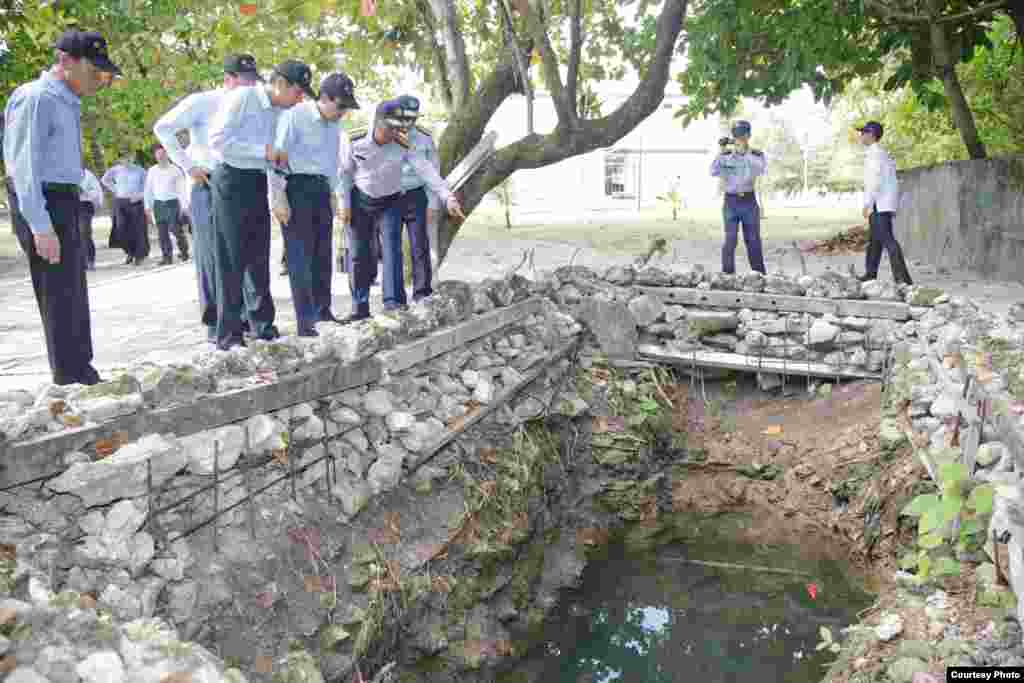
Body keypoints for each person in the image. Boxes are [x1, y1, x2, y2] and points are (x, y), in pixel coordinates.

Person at [3, 29, 121, 386]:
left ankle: (81, 368)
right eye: (93, 68)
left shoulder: (67, 99)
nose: (98, 78)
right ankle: (69, 376)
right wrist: (39, 224)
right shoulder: (37, 98)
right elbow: (23, 166)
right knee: (58, 292)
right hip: (43, 200)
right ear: (65, 61)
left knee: (72, 288)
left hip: (65, 198)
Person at [154, 53, 263, 343]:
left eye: (253, 81)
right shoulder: (203, 102)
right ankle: (217, 325)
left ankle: (244, 320)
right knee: (212, 255)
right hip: (208, 181)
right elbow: (162, 127)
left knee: (243, 254)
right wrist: (188, 166)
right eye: (243, 81)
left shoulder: (252, 106)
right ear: (228, 79)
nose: (248, 86)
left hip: (241, 183)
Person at [208, 58, 311, 350]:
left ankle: (263, 326)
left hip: (255, 181)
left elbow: (270, 156)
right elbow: (217, 141)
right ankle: (228, 335)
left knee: (258, 256)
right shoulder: (242, 97)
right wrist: (262, 151)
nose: (300, 98)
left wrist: (275, 187)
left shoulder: (279, 111)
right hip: (230, 180)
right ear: (279, 84)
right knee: (231, 258)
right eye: (298, 91)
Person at [338, 98, 465, 322]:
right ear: (378, 124)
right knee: (359, 255)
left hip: (390, 201)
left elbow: (426, 169)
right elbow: (344, 174)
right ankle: (360, 308)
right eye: (391, 129)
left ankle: (393, 305)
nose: (395, 134)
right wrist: (344, 204)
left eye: (399, 129)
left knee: (392, 250)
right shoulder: (354, 140)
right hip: (361, 200)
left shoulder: (402, 142)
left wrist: (447, 197)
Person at [270, 72, 359, 337]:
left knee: (323, 255)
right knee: (300, 257)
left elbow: (333, 164)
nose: (343, 112)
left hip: (322, 190)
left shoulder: (334, 127)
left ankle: (323, 311)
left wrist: (334, 194)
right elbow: (277, 158)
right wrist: (278, 197)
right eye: (341, 105)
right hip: (296, 187)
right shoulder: (294, 116)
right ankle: (305, 322)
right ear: (324, 98)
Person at [395, 94, 439, 302]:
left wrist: (432, 203)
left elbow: (433, 171)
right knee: (391, 247)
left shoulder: (424, 137)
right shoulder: (386, 132)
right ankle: (395, 298)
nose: (409, 123)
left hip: (416, 195)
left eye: (413, 119)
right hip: (390, 196)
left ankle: (422, 293)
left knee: (419, 246)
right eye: (405, 118)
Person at [857, 121, 912, 285]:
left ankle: (903, 280)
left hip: (879, 203)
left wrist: (868, 203)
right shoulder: (879, 153)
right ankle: (870, 274)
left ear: (871, 135)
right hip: (881, 203)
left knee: (887, 240)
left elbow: (875, 181)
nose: (861, 136)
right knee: (875, 240)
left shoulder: (875, 155)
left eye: (863, 133)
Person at [710, 120, 767, 275]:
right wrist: (720, 151)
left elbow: (761, 168)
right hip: (731, 202)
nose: (739, 139)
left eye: (742, 136)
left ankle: (759, 275)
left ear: (748, 136)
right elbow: (713, 171)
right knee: (730, 240)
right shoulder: (726, 156)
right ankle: (727, 275)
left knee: (753, 240)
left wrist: (745, 153)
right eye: (736, 136)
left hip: (749, 201)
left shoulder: (757, 155)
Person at [144, 143, 190, 265]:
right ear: (155, 156)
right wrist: (147, 206)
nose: (161, 156)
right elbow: (148, 189)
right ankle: (167, 257)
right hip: (158, 204)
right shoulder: (152, 171)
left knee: (175, 229)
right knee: (162, 232)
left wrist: (184, 206)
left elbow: (182, 190)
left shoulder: (175, 170)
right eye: (158, 153)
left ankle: (184, 251)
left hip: (173, 203)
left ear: (167, 154)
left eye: (163, 153)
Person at [102, 151, 148, 265]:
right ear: (120, 159)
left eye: (129, 157)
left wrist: (139, 196)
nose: (126, 160)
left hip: (135, 202)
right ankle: (130, 251)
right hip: (120, 202)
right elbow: (105, 180)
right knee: (121, 229)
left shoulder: (140, 170)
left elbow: (148, 186)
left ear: (132, 158)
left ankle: (139, 255)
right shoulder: (115, 170)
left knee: (137, 230)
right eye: (123, 158)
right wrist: (115, 189)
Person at [79, 167, 104, 270]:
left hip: (85, 205)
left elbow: (97, 191)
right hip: (70, 205)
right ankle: (80, 262)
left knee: (84, 232)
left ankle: (90, 260)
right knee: (73, 235)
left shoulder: (88, 175)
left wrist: (84, 193)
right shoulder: (64, 172)